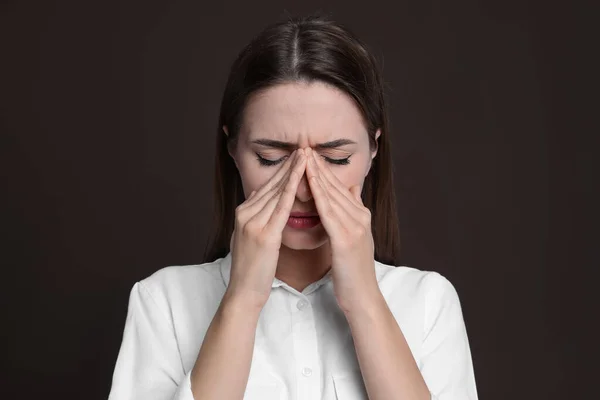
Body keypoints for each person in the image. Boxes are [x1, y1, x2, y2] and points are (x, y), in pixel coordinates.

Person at [107, 14, 478, 400]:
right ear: (233, 149)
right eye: (271, 158)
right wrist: (242, 300)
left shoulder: (428, 303)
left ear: (372, 150)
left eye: (335, 158)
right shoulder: (164, 302)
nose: (302, 189)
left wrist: (364, 300)